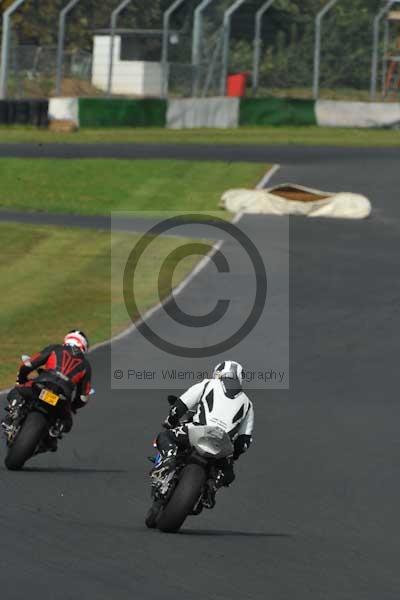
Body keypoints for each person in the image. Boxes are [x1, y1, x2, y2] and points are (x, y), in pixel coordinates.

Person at [153, 360, 254, 508]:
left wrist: (170, 421)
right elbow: (244, 441)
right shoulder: (248, 404)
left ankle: (169, 460)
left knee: (165, 436)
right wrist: (234, 455)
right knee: (228, 474)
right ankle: (212, 487)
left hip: (197, 430)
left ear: (217, 373)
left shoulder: (208, 384)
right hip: (223, 443)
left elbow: (180, 406)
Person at [2, 330, 92, 452]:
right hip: (62, 397)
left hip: (41, 385)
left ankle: (14, 410)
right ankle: (53, 432)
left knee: (17, 391)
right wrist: (73, 406)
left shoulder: (55, 348)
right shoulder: (86, 365)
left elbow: (29, 364)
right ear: (84, 347)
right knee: (67, 423)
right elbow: (83, 397)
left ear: (67, 340)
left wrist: (21, 379)